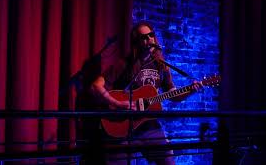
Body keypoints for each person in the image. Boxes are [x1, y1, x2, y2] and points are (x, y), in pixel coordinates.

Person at [77, 21, 202, 165]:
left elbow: (172, 93)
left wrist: (190, 91)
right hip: (122, 127)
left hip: (149, 125)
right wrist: (118, 103)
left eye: (151, 35)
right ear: (137, 42)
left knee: (168, 161)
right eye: (144, 37)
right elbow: (95, 86)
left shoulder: (161, 66)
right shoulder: (124, 64)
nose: (149, 39)